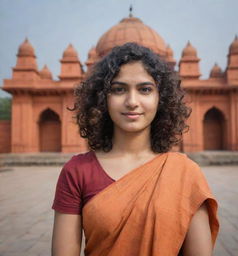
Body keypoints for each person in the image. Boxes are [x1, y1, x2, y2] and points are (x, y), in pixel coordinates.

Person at [51, 42, 219, 256]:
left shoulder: (185, 173)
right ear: (102, 98)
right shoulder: (77, 171)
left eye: (145, 89)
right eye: (118, 89)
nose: (132, 101)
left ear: (161, 99)